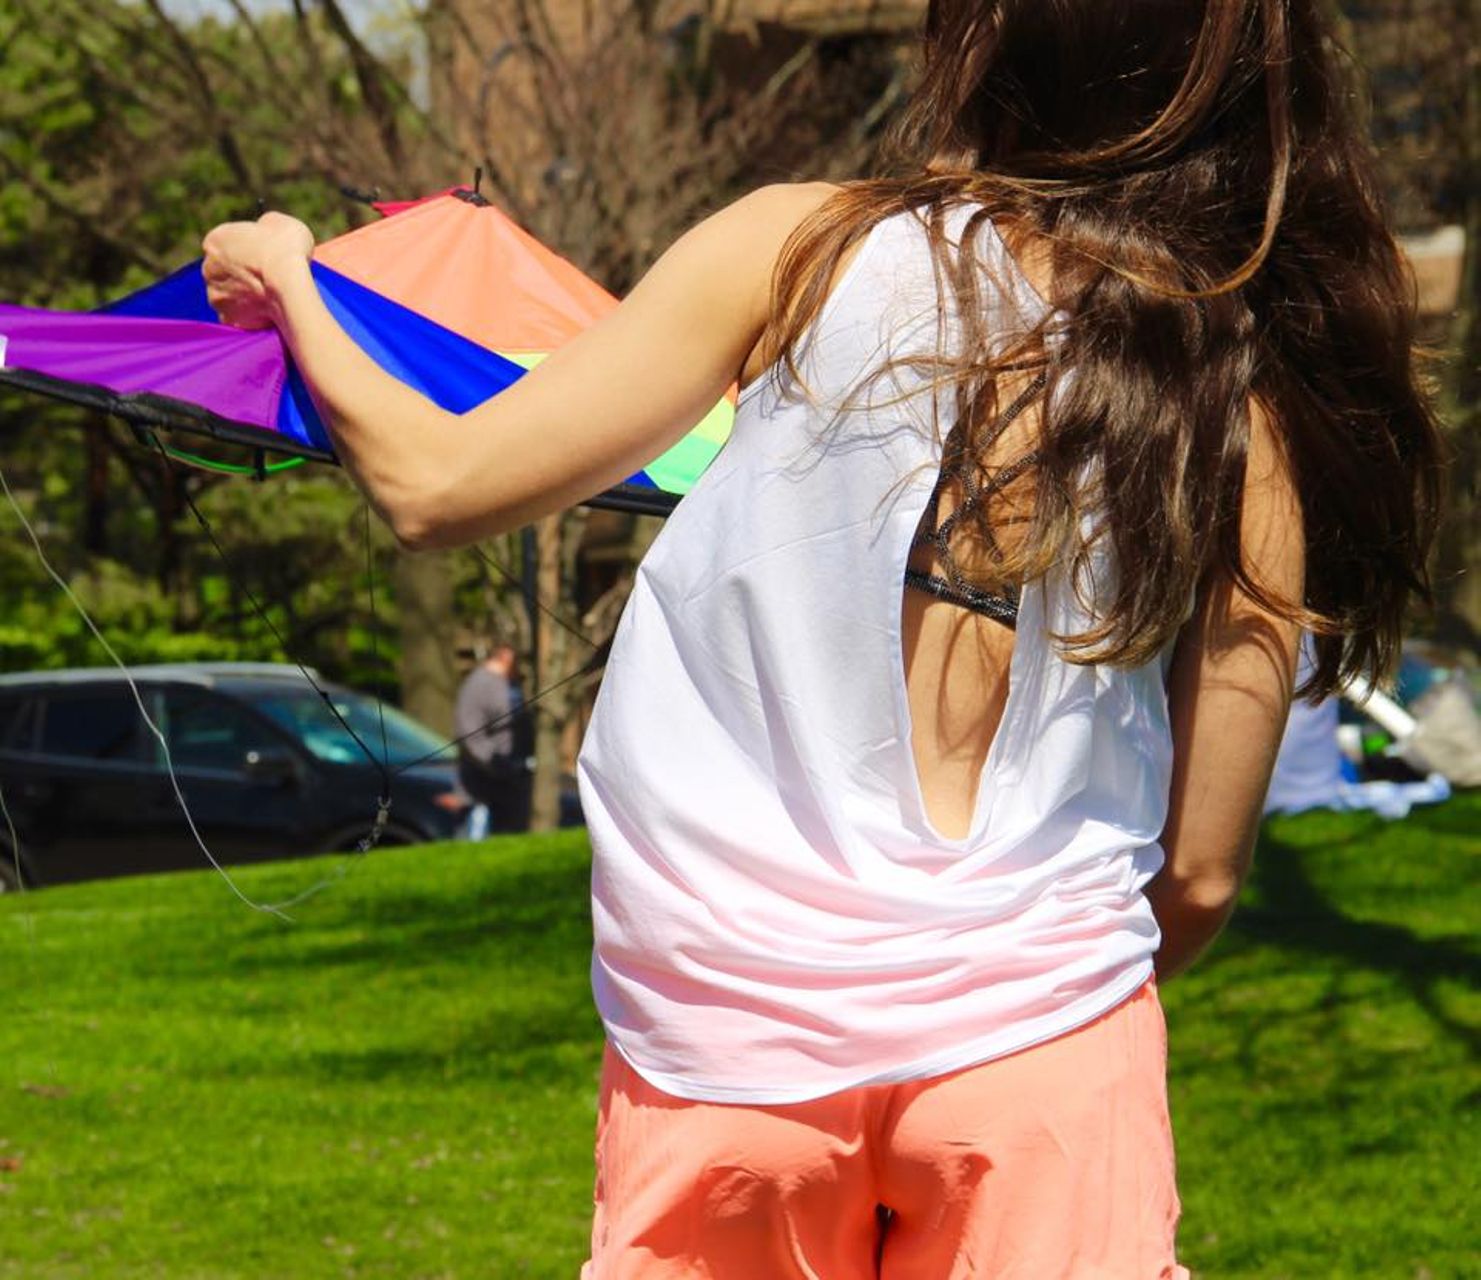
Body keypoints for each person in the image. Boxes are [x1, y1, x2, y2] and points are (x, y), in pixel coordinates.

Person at [200, 0, 1444, 1272]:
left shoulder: (798, 247)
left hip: (730, 1031)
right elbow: (1199, 875)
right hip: (1041, 1044)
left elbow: (435, 485)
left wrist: (295, 274)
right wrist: (1024, 1004)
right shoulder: (1240, 386)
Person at [454, 642, 533, 836]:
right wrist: (496, 763)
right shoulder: (479, 684)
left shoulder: (510, 683)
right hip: (482, 789)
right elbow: (469, 732)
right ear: (505, 656)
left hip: (512, 786)